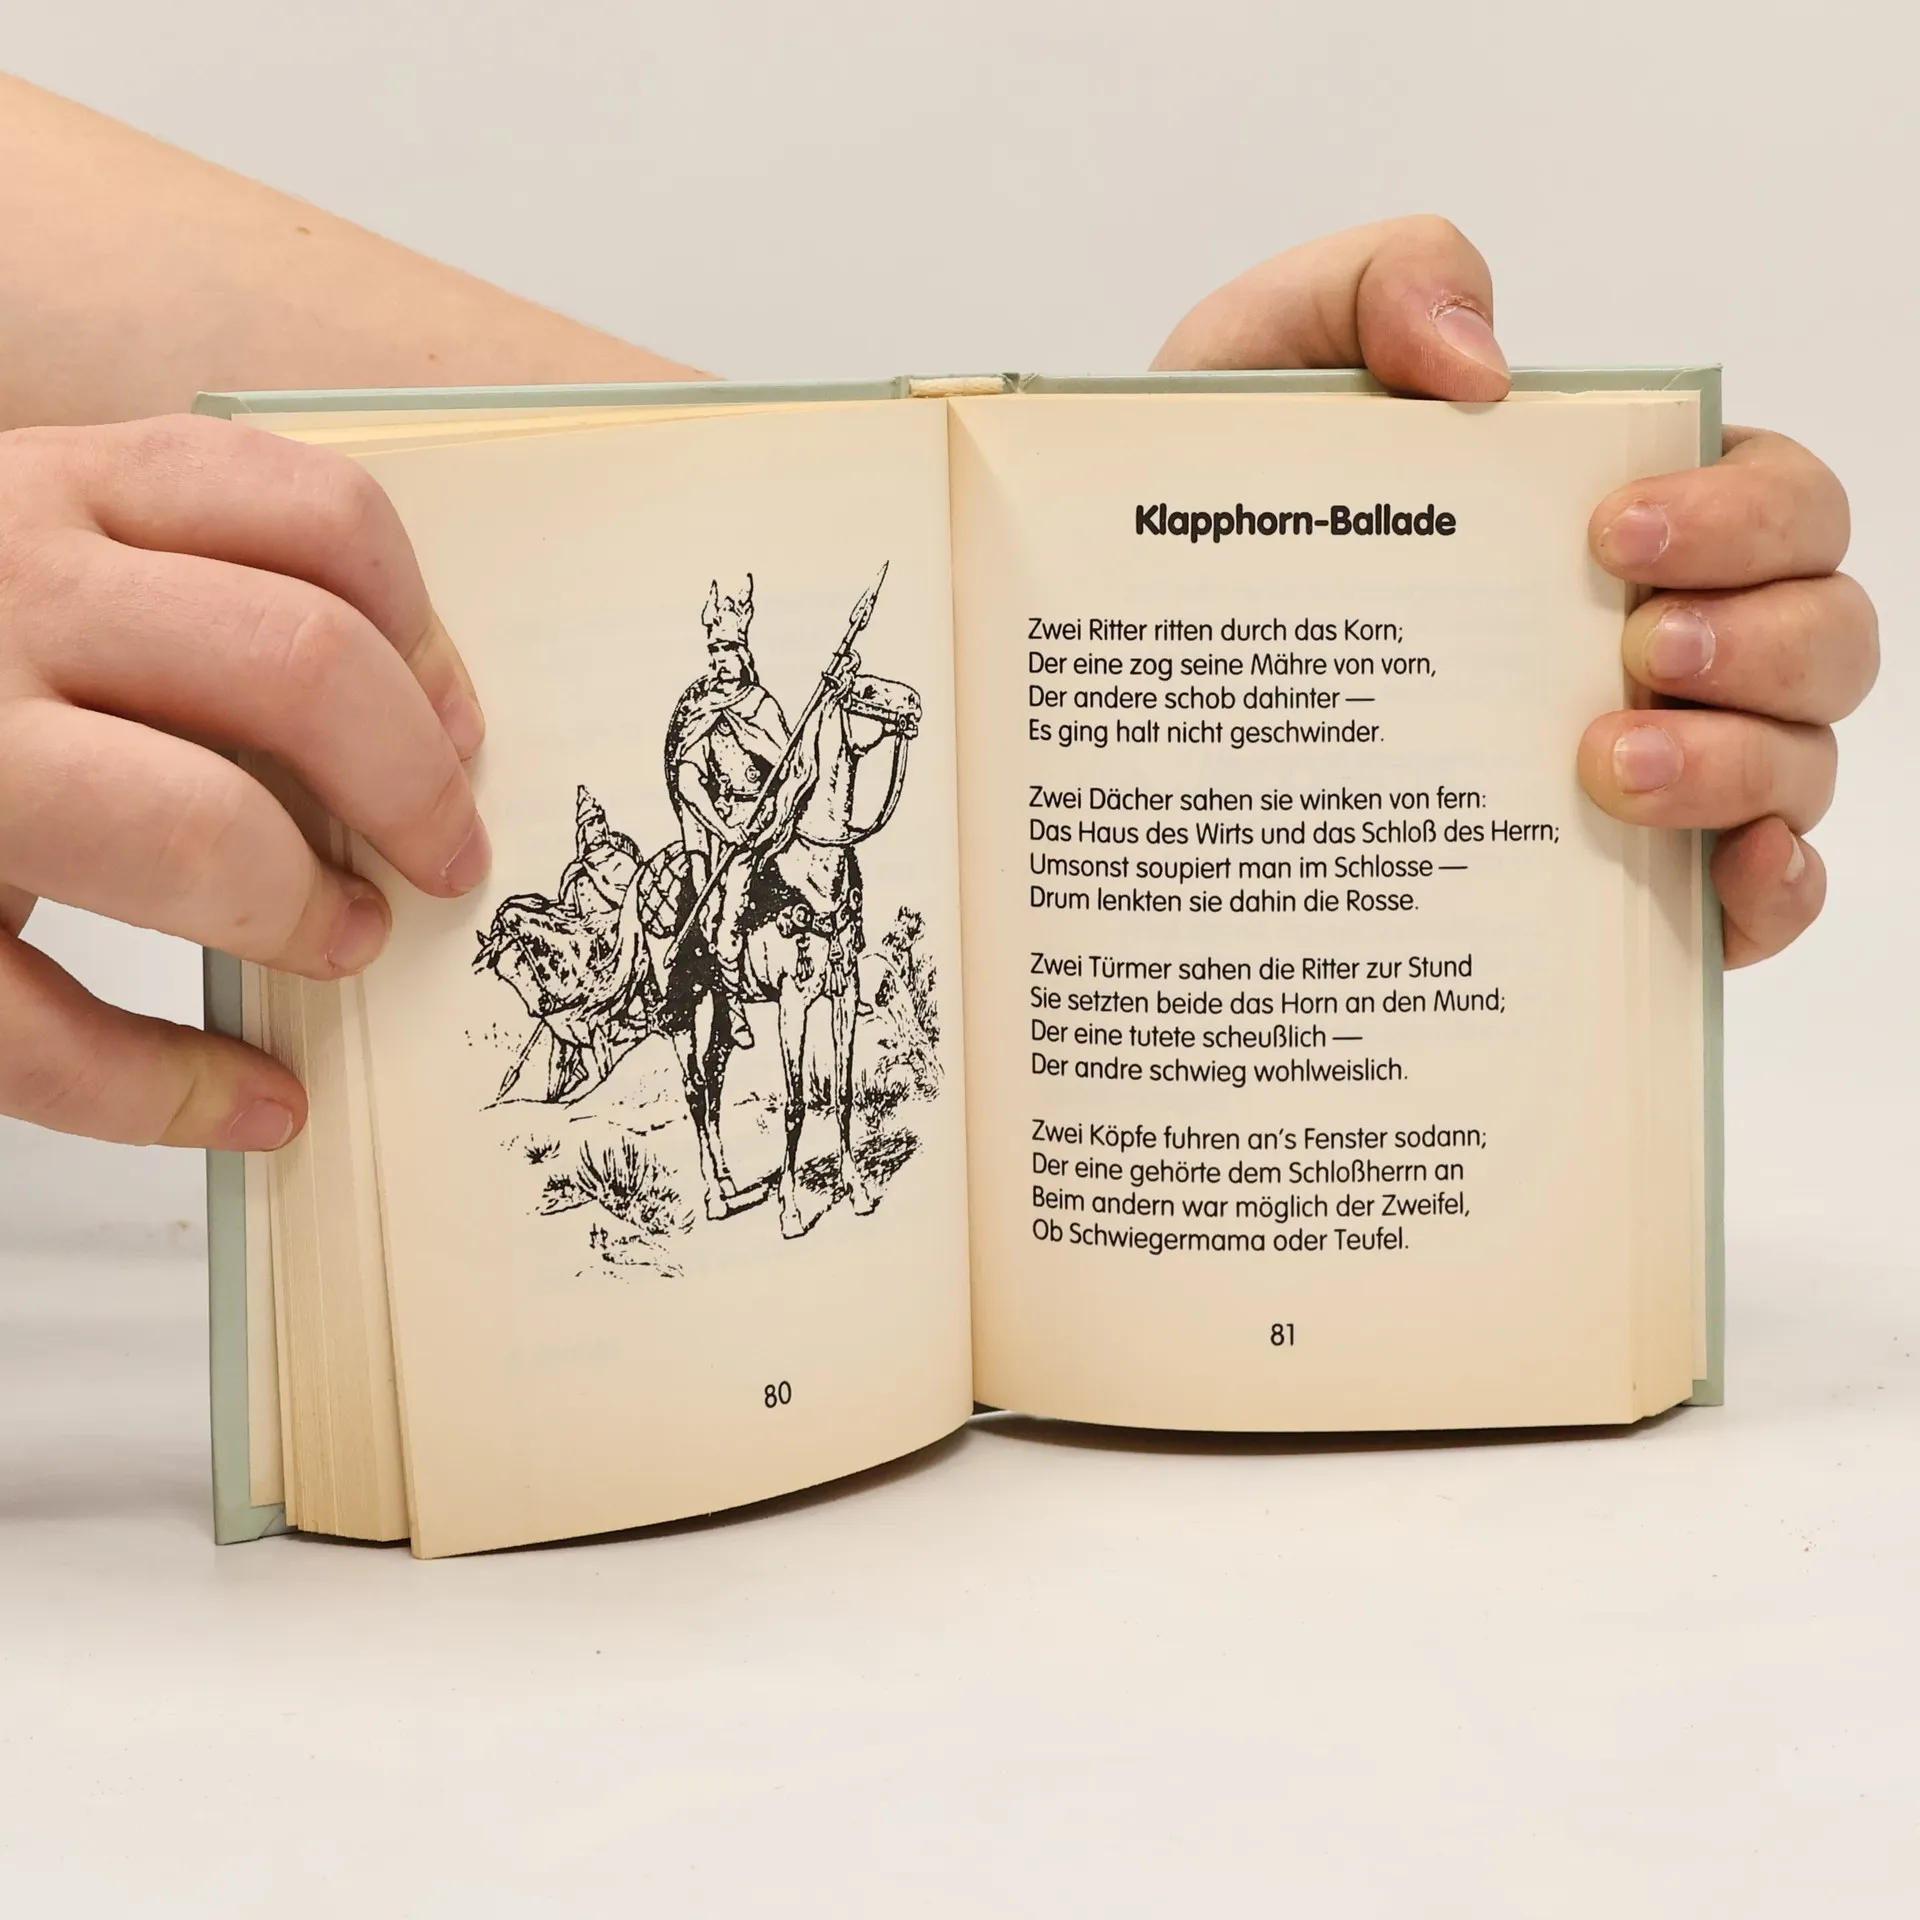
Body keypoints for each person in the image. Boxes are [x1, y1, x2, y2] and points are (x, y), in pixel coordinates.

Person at [0, 76, 1877, 1154]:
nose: (725, 660)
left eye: (736, 642)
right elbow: (712, 797)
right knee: (717, 996)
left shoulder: (758, 692)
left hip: (805, 860)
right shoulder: (710, 729)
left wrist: (1106, 619)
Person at [664, 578, 791, 1048]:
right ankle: (733, 1004)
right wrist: (725, 827)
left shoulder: (763, 706)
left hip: (773, 820)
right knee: (727, 916)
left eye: (728, 650)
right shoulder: (703, 712)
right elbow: (688, 782)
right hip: (729, 830)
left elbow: (793, 768)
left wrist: (772, 784)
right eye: (714, 651)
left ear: (744, 653)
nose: (720, 660)